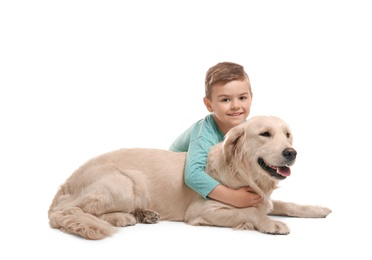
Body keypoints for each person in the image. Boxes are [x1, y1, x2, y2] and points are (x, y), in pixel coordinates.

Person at [169, 61, 261, 208]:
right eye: (225, 99)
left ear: (251, 98)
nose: (236, 105)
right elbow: (193, 176)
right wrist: (234, 197)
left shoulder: (248, 129)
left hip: (214, 175)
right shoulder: (204, 133)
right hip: (178, 181)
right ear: (209, 104)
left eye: (242, 98)